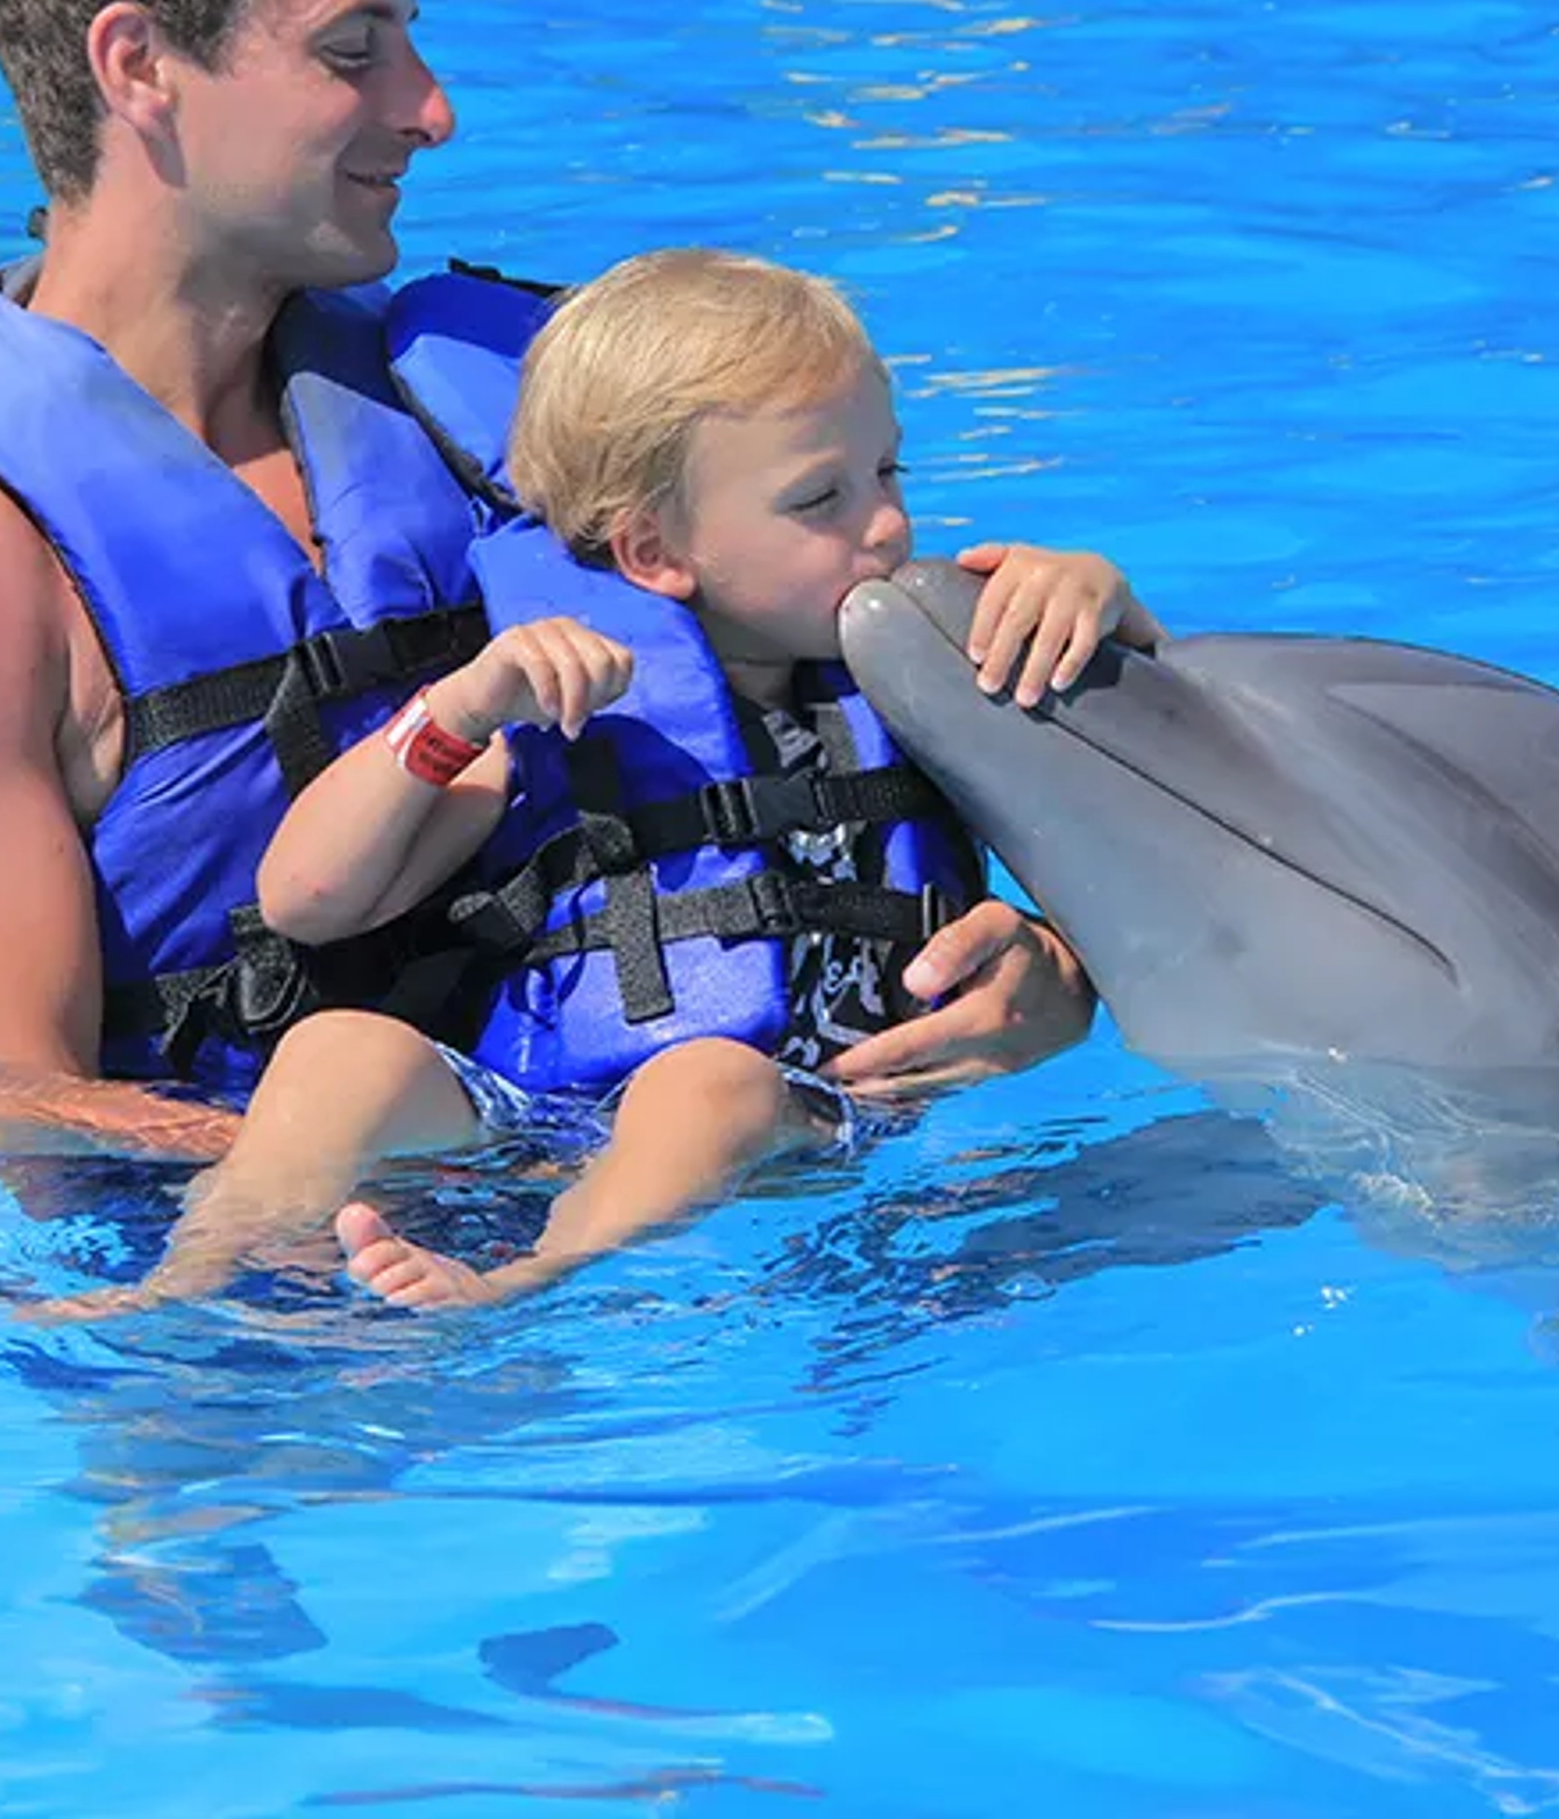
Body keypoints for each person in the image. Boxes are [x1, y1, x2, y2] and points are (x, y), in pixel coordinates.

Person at [0, 0, 1101, 1166]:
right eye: (356, 52)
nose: (432, 110)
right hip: (261, 1317)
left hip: (668, 1187)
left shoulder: (497, 401)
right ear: (139, 67)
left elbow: (849, 631)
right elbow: (8, 1121)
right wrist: (445, 1157)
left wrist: (1051, 968)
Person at [72, 249, 1160, 1313]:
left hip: (810, 1108)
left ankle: (517, 1283)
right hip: (542, 1120)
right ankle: (193, 1272)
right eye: (819, 497)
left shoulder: (928, 670)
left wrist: (1100, 605)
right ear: (652, 553)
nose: (884, 524)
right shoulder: (561, 707)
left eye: (888, 471)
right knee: (333, 1051)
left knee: (703, 1081)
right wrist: (455, 713)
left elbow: (1180, 826)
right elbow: (306, 899)